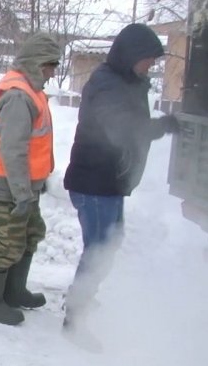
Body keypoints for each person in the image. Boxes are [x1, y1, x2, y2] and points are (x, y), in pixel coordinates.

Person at [62, 23, 180, 349]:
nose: (151, 66)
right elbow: (120, 129)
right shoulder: (106, 84)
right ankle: (75, 318)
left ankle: (82, 296)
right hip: (94, 183)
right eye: (148, 60)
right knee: (99, 249)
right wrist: (159, 127)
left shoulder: (127, 80)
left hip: (109, 181)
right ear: (131, 55)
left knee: (108, 247)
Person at [0, 32, 62, 326]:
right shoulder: (17, 95)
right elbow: (12, 150)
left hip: (22, 185)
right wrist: (22, 193)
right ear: (38, 63)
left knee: (30, 234)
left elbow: (35, 144)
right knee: (6, 243)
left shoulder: (31, 90)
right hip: (7, 187)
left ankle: (14, 293)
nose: (53, 73)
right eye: (51, 66)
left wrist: (37, 181)